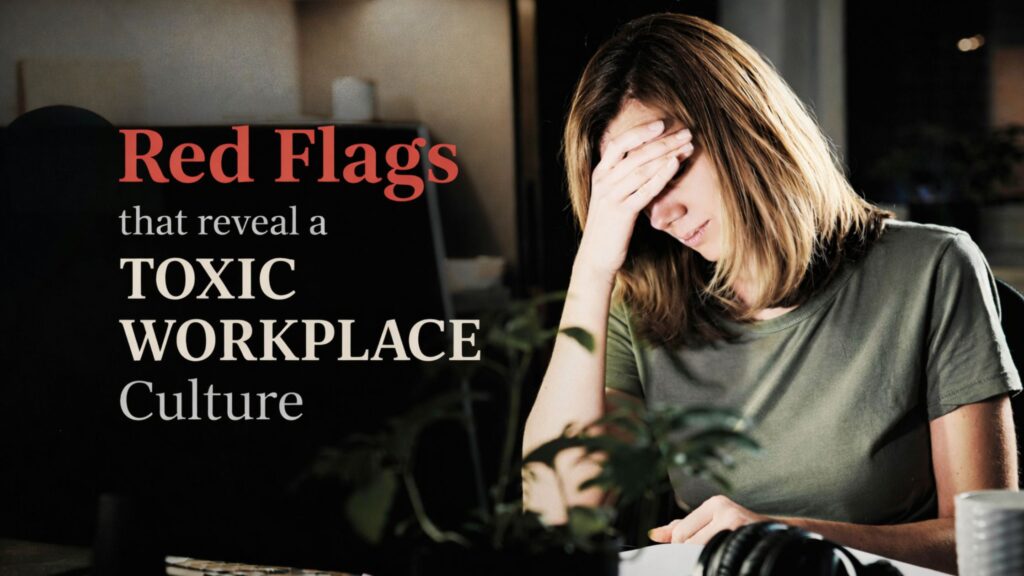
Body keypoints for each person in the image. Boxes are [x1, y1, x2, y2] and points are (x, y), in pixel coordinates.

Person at [521, 13, 1020, 574]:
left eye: (672, 168)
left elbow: (983, 549)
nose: (661, 213)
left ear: (747, 132)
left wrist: (788, 542)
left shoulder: (933, 267)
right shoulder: (640, 301)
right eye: (634, 189)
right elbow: (556, 511)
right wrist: (592, 268)